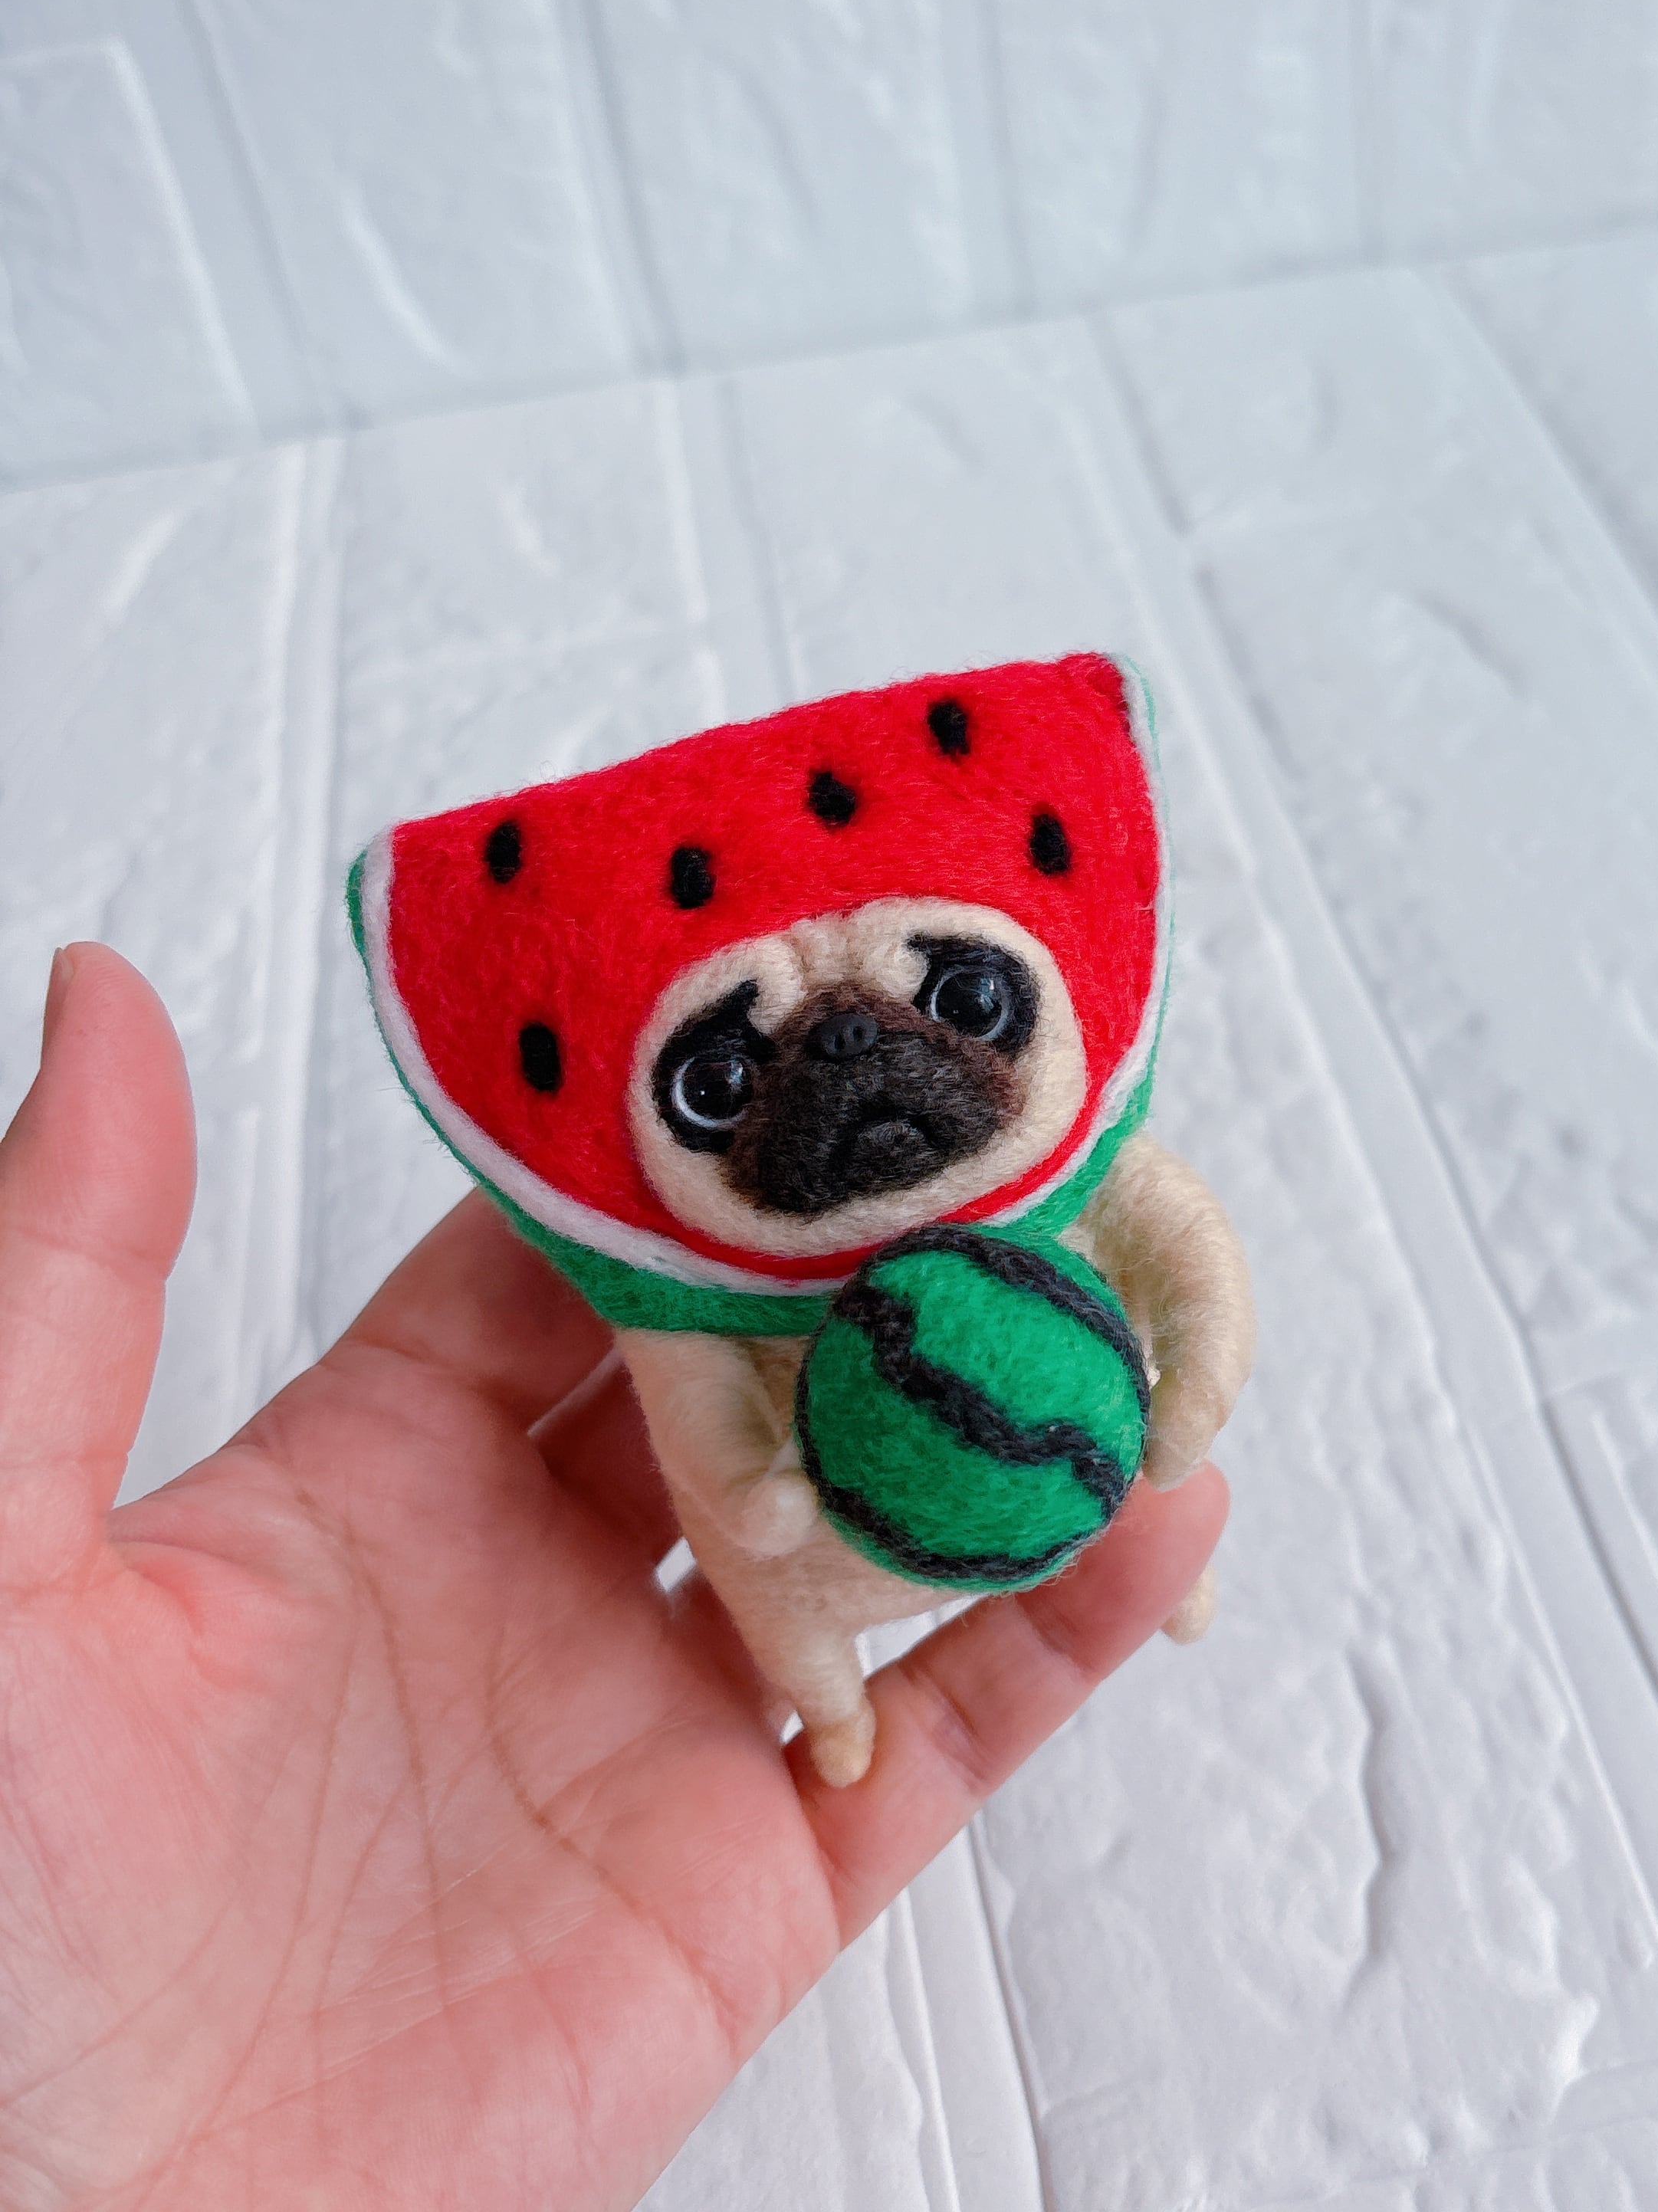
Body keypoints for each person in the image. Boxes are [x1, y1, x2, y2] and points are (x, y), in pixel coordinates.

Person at [0, 946, 1227, 2208]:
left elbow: (1188, 1262)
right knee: (817, 1640)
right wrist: (758, 1490)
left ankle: (1136, 1568)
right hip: (818, 1541)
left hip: (1036, 1464)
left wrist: (1185, 1387)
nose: (850, 1052)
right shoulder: (677, 1297)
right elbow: (703, 1421)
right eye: (722, 1081)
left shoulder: (1080, 1175)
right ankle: (861, 1695)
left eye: (965, 1000)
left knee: (1135, 1522)